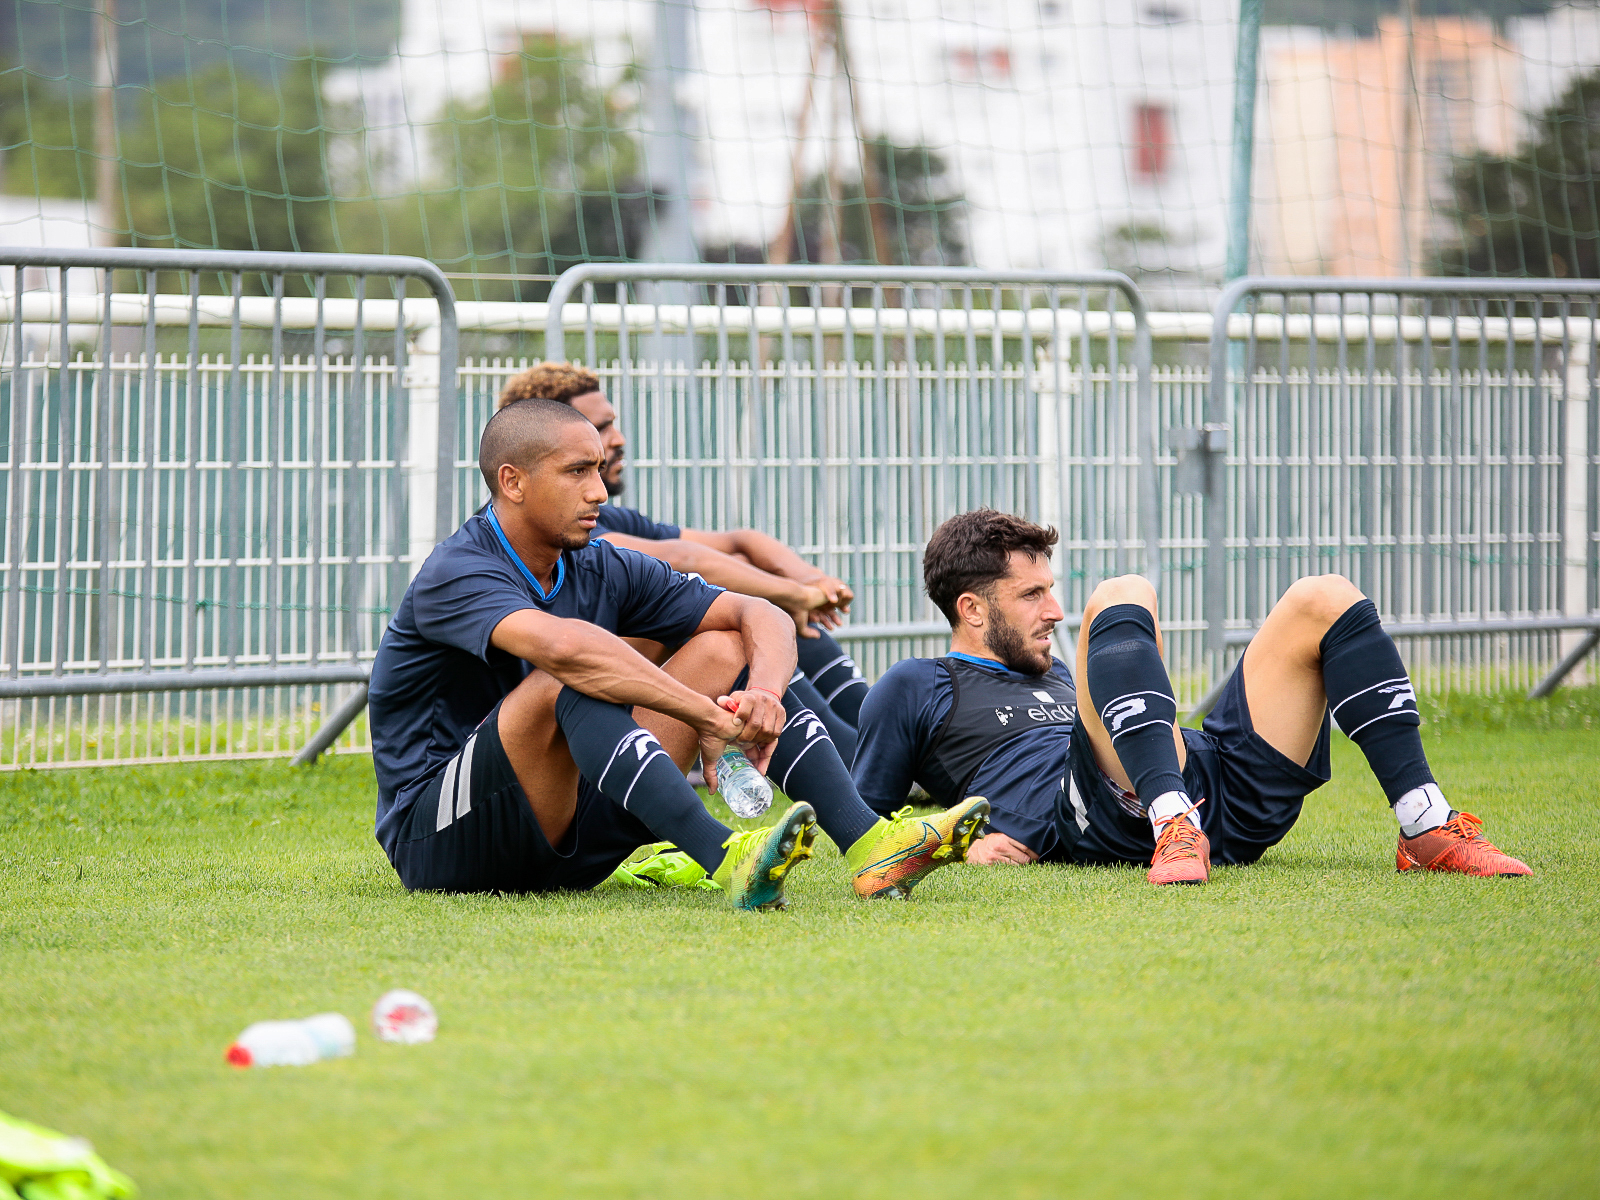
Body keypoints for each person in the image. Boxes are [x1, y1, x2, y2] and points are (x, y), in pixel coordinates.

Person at [365, 397, 990, 909]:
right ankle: (726, 857)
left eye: (599, 469)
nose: (599, 491)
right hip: (441, 839)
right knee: (572, 677)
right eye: (577, 471)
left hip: (572, 839)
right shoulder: (459, 567)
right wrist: (707, 716)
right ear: (513, 481)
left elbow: (758, 613)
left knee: (723, 645)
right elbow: (567, 651)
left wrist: (764, 696)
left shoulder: (597, 562)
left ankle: (868, 843)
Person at [853, 508, 1532, 883]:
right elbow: (861, 825)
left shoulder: (1063, 675)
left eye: (1052, 590)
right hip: (1100, 809)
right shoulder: (918, 685)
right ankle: (1171, 822)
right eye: (1032, 594)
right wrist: (954, 847)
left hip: (1220, 786)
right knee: (1123, 592)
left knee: (1324, 597)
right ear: (971, 609)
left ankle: (1425, 825)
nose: (1055, 609)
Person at [497, 363, 869, 757]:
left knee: (758, 609)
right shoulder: (556, 534)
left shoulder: (602, 517)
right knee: (736, 616)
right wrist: (795, 594)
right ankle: (860, 751)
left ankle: (870, 732)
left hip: (625, 712)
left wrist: (809, 582)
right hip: (563, 736)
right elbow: (686, 559)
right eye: (600, 428)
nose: (617, 439)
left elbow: (741, 540)